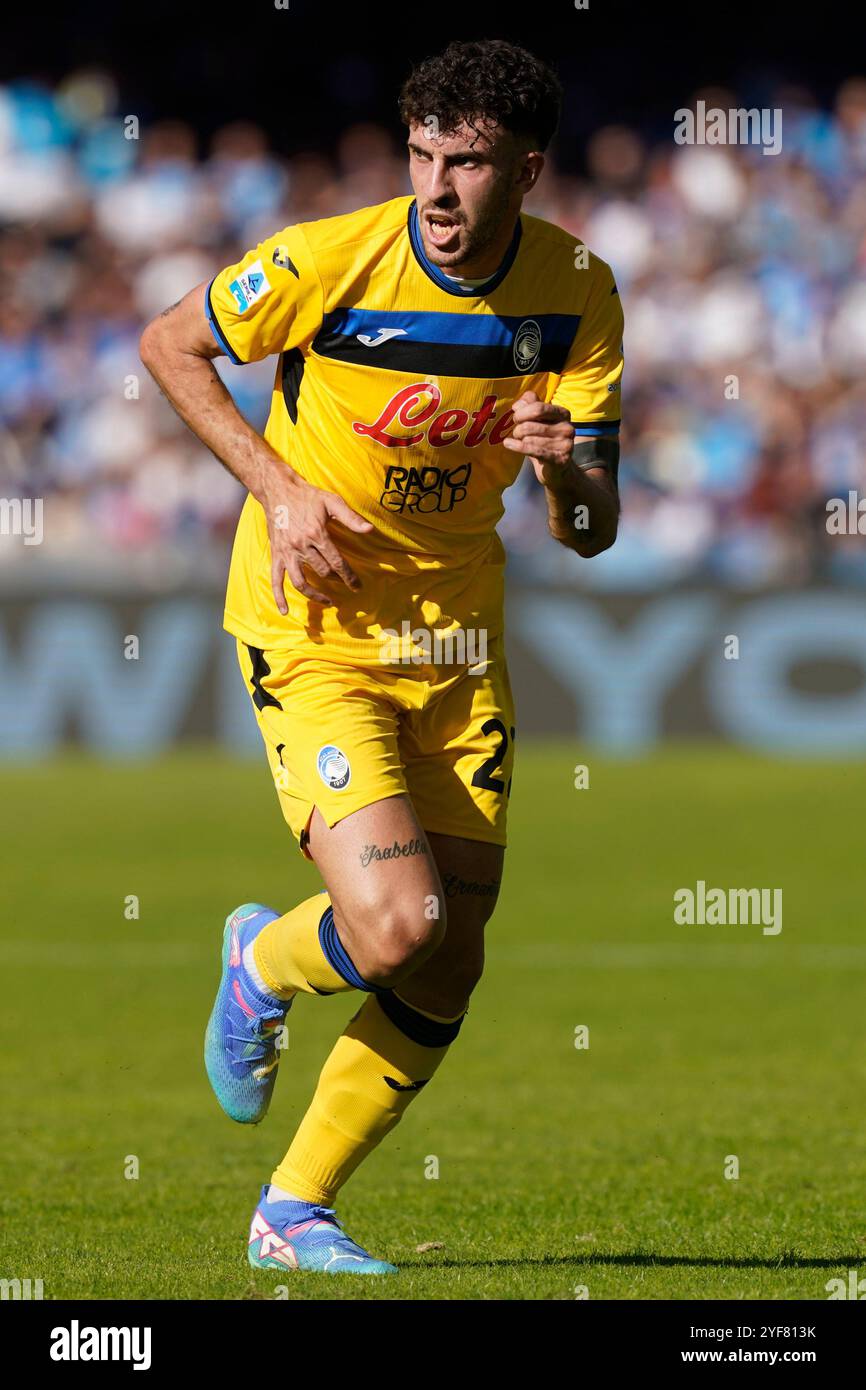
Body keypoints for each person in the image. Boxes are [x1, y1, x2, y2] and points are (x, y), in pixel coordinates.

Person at [139, 37, 623, 1276]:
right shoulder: (327, 259)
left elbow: (590, 528)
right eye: (421, 156)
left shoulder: (577, 291)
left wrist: (561, 460)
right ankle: (260, 961)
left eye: (467, 163)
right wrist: (278, 486)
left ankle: (291, 1210)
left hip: (457, 645)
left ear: (526, 166)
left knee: (452, 951)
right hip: (317, 632)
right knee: (400, 923)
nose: (438, 190)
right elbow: (168, 345)